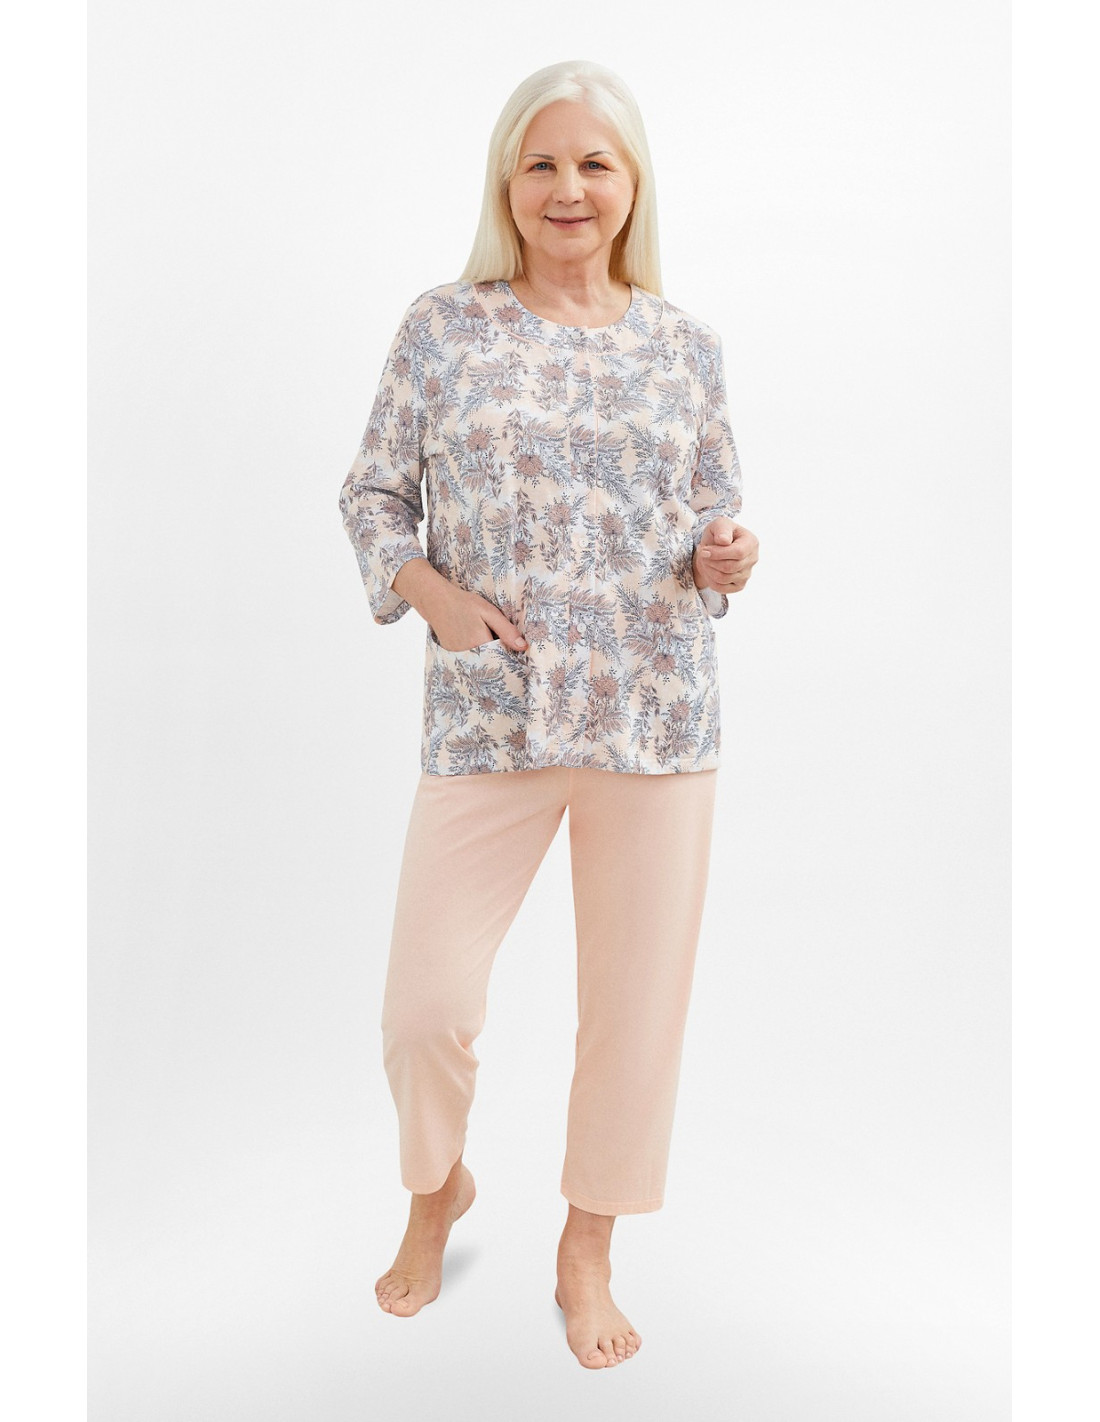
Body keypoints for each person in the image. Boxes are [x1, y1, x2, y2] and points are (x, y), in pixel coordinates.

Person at [338, 58, 760, 1370]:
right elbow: (372, 496)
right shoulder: (443, 327)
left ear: (633, 186)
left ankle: (587, 1248)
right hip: (491, 718)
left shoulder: (686, 347)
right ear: (506, 184)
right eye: (541, 163)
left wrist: (728, 559)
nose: (567, 186)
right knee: (425, 1007)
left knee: (633, 1012)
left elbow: (714, 523)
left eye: (594, 163)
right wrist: (435, 600)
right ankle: (437, 1191)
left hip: (653, 717)